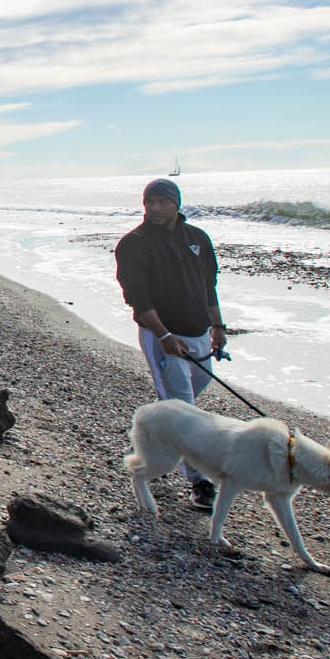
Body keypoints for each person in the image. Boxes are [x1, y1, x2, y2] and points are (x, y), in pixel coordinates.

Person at [114, 178, 228, 507]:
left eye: (163, 202)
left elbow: (209, 286)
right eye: (150, 202)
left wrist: (217, 325)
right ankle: (200, 481)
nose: (155, 208)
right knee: (184, 408)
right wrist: (163, 335)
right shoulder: (134, 243)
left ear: (177, 203)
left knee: (189, 392)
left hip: (198, 332)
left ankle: (146, 443)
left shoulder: (198, 238)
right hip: (161, 335)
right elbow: (137, 297)